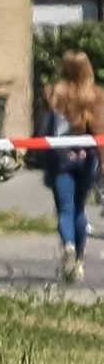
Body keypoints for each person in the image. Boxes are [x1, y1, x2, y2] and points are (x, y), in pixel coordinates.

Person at [41, 50, 104, 284]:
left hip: (61, 159)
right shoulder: (96, 96)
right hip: (87, 158)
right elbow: (99, 130)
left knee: (65, 209)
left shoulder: (54, 94)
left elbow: (46, 124)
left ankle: (67, 244)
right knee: (79, 208)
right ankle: (78, 258)